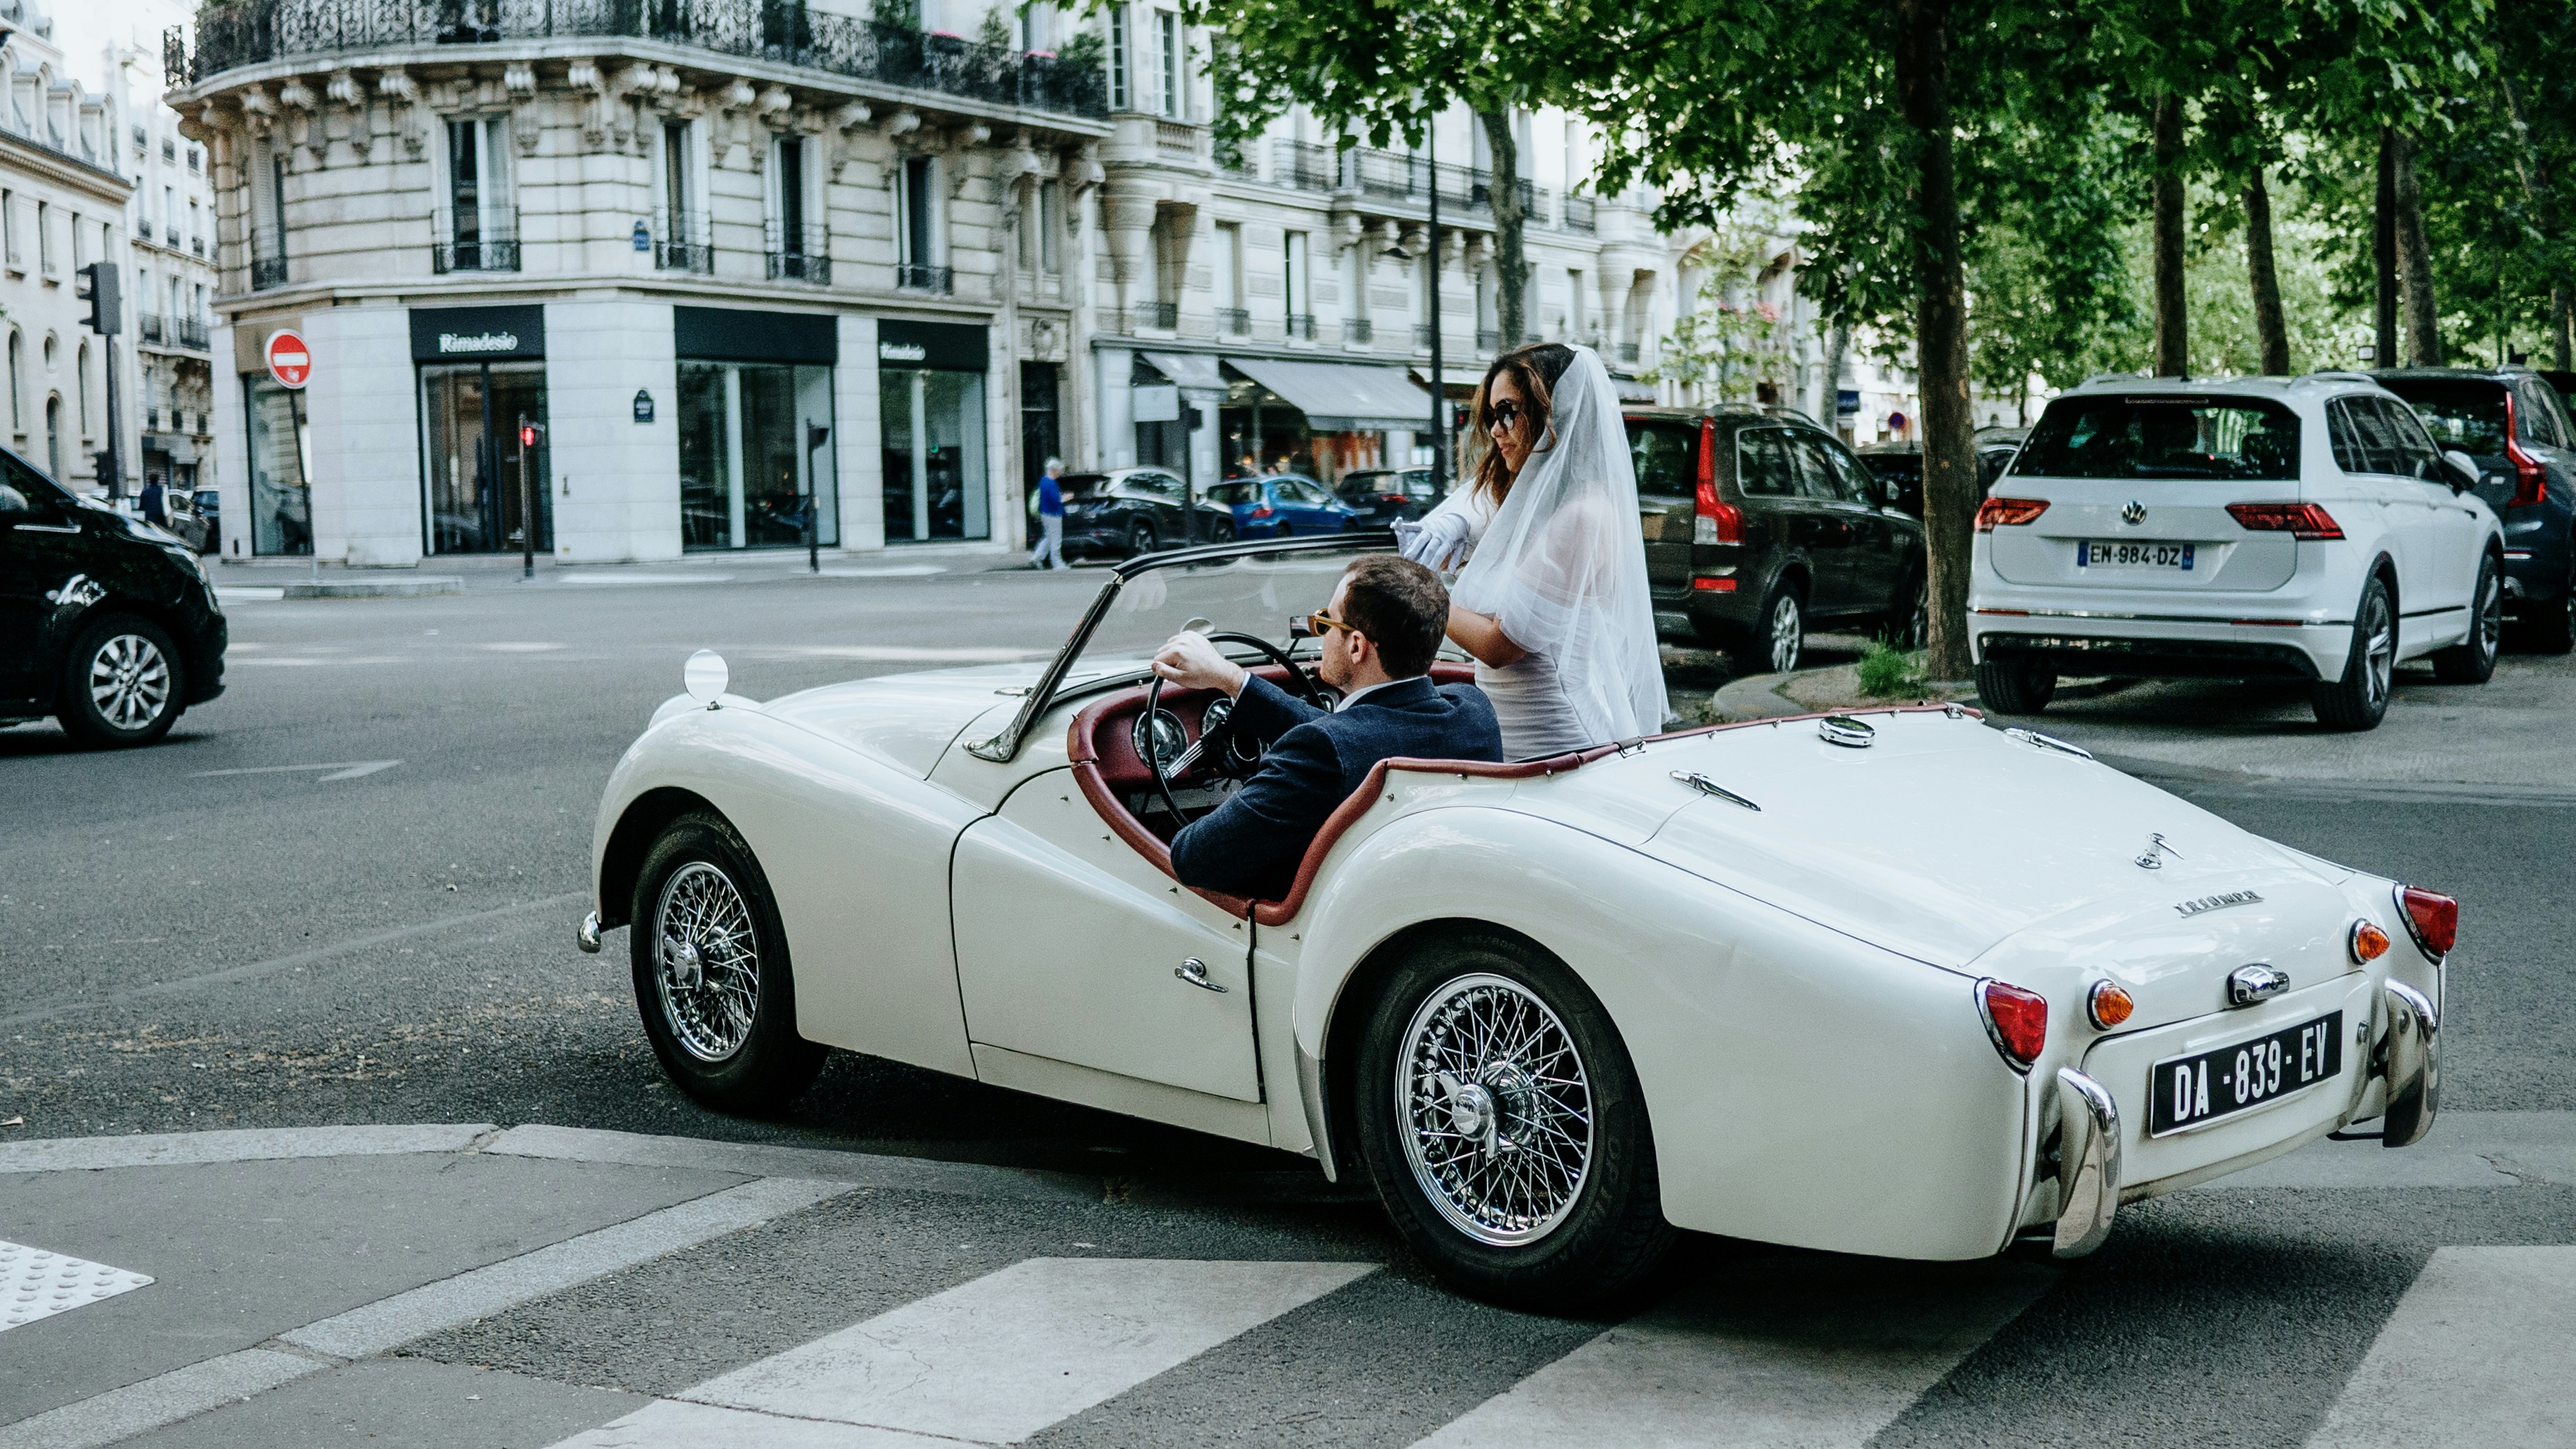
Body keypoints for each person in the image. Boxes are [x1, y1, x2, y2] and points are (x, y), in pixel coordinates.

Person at [1153, 554, 1502, 901]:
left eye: (1326, 623)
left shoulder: (1322, 754)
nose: (1320, 634)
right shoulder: (1473, 712)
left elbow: (1193, 859)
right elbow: (1353, 737)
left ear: (1356, 646)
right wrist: (1230, 678)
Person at [1396, 343, 1665, 759]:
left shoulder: (1581, 515)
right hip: (1517, 738)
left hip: (1556, 742)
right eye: (1490, 417)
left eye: (1507, 411)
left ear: (1552, 413)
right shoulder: (1541, 505)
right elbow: (1474, 505)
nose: (1496, 430)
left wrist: (1421, 592)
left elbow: (1501, 646)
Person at [1029, 457, 1068, 570]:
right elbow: (1055, 500)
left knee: (1048, 537)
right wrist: (1065, 498)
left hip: (1045, 513)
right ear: (1054, 470)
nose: (1060, 473)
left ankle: (1037, 557)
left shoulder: (1043, 481)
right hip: (1053, 514)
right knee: (1056, 539)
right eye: (1059, 471)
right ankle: (1057, 563)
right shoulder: (1051, 483)